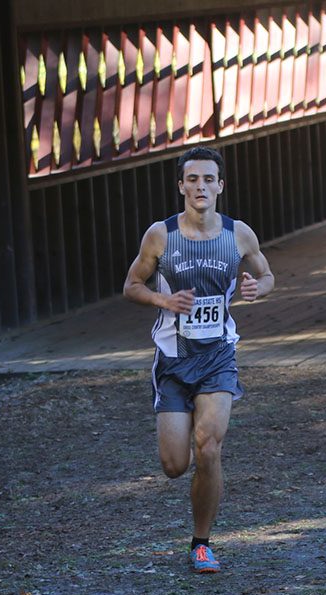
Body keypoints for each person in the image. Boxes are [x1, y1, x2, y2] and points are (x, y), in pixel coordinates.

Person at [123, 146, 274, 572]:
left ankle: (202, 543)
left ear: (220, 186)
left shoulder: (238, 233)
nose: (200, 186)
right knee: (175, 465)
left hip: (218, 357)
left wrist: (255, 289)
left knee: (209, 447)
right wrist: (161, 298)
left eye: (208, 179)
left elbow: (267, 275)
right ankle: (195, 517)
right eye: (192, 179)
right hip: (172, 360)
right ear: (181, 186)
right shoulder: (161, 235)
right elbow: (131, 285)